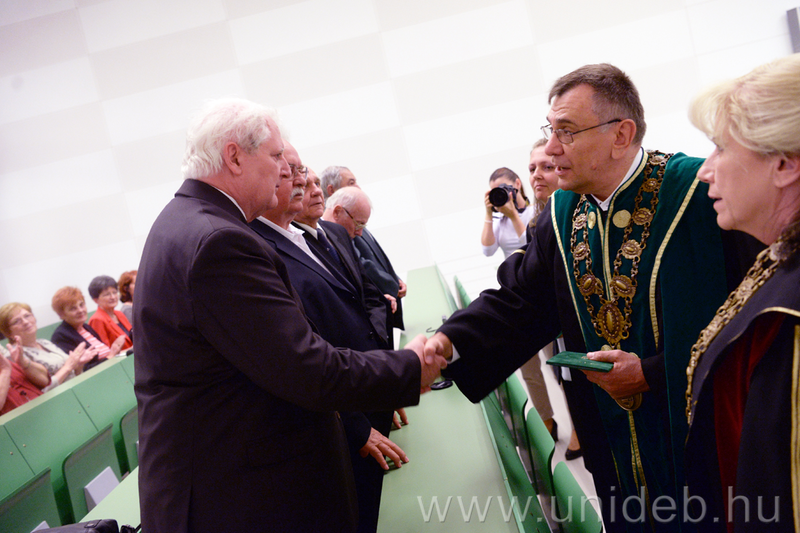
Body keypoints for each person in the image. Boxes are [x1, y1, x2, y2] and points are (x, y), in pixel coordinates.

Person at [423, 63, 757, 532]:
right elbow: (521, 303)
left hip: (702, 438)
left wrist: (652, 373)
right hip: (611, 447)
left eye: (567, 131)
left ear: (621, 134)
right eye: (550, 130)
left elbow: (751, 315)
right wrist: (448, 343)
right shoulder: (562, 212)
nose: (551, 148)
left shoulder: (699, 192)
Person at [134, 98, 445, 533]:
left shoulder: (187, 221)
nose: (286, 171)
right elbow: (305, 368)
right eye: (277, 156)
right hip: (243, 500)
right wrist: (409, 367)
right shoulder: (219, 241)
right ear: (235, 157)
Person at [250, 142, 405, 533]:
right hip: (336, 413)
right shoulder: (258, 248)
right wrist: (355, 424)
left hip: (360, 390)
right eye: (290, 170)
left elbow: (358, 309)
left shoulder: (305, 238)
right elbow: (302, 351)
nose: (303, 182)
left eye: (303, 172)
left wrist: (384, 383)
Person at [684, 53, 800, 532]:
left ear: (783, 164)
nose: (705, 170)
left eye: (719, 148)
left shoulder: (791, 314)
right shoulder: (780, 258)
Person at [321, 166, 407, 333]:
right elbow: (364, 266)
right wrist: (390, 286)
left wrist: (394, 279)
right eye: (351, 183)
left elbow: (377, 256)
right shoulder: (336, 231)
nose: (358, 186)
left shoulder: (352, 217)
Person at [0, 302, 98, 389]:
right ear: (8, 332)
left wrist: (78, 364)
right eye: (16, 321)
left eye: (27, 316)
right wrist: (68, 367)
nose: (25, 322)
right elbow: (41, 392)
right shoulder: (15, 355)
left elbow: (72, 374)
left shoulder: (44, 342)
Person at [51, 286, 126, 361]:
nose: (80, 310)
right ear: (61, 315)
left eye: (81, 305)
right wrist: (111, 355)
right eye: (73, 308)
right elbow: (82, 366)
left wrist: (115, 352)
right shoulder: (61, 336)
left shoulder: (86, 327)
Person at [481, 167, 534, 258]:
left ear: (518, 183)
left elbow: (532, 245)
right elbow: (488, 251)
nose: (500, 194)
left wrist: (513, 216)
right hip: (512, 267)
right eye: (496, 191)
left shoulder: (535, 211)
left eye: (504, 188)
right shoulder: (500, 218)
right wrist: (489, 213)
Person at [0, 338, 49, 415]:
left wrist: (23, 362)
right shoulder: (5, 366)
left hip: (46, 410)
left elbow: (45, 380)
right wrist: (5, 370)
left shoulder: (5, 361)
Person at [87, 275, 133, 351]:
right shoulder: (97, 320)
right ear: (96, 300)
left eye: (114, 292)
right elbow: (105, 351)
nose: (113, 297)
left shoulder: (119, 314)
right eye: (107, 294)